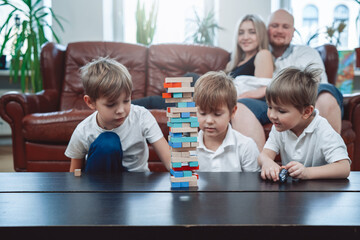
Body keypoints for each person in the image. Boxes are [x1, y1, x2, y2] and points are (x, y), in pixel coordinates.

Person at [232, 9, 344, 151]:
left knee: (325, 95)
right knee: (241, 106)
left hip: (310, 97)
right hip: (276, 102)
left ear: (293, 31)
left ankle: (330, 159)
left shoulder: (305, 52)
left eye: (285, 27)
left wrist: (262, 90)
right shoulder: (260, 57)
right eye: (274, 26)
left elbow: (311, 82)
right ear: (266, 30)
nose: (279, 30)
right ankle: (256, 167)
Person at [132, 14, 273, 110]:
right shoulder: (236, 61)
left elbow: (262, 89)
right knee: (163, 99)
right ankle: (173, 102)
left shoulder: (263, 54)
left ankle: (119, 107)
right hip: (214, 96)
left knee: (186, 81)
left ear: (260, 34)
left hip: (223, 99)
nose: (245, 37)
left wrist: (242, 96)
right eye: (241, 32)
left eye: (252, 32)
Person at [65, 57, 170, 173]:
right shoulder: (83, 131)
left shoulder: (142, 117)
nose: (120, 110)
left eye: (126, 101)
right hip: (100, 185)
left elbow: (168, 159)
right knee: (108, 141)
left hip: (137, 184)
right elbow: (74, 173)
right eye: (111, 105)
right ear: (90, 102)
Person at [258, 66, 350, 181]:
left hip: (322, 193)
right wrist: (267, 163)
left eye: (281, 111)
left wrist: (307, 172)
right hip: (294, 192)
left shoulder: (322, 129)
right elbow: (264, 155)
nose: (272, 115)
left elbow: (344, 167)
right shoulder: (279, 127)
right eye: (270, 107)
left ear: (306, 112)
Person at [193, 71, 260, 172]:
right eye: (202, 113)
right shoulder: (189, 147)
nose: (209, 121)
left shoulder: (246, 146)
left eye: (217, 114)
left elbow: (254, 185)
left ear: (232, 112)